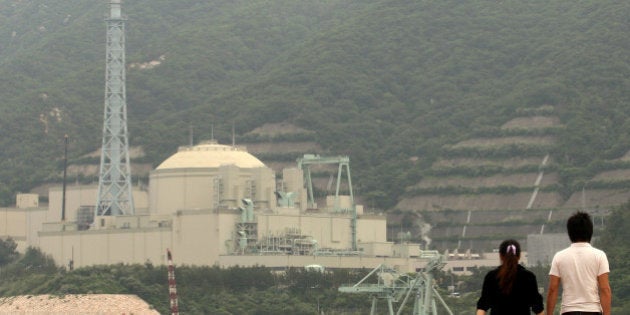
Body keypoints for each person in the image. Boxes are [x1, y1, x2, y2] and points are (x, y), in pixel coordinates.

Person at [546, 211, 612, 315]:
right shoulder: (599, 255)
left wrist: (549, 313)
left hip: (568, 311)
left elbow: (553, 289)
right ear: (590, 231)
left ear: (570, 233)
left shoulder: (559, 256)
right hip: (592, 310)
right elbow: (605, 289)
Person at [476, 239, 544, 315]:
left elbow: (482, 307)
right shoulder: (528, 277)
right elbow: (538, 308)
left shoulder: (491, 276)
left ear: (500, 255)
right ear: (519, 256)